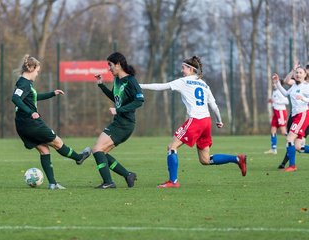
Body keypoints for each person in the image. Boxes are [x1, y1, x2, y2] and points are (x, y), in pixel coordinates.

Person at [140, 56, 247, 188]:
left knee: (171, 147)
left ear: (191, 69)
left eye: (183, 68)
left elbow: (162, 86)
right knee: (205, 160)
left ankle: (173, 181)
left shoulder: (184, 81)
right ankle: (237, 159)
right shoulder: (204, 84)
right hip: (207, 121)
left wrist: (140, 86)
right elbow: (214, 106)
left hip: (195, 121)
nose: (182, 71)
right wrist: (219, 121)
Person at [12, 54, 91, 190]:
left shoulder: (26, 83)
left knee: (44, 150)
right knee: (58, 142)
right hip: (30, 123)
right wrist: (31, 112)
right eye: (37, 71)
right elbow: (15, 98)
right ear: (31, 68)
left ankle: (53, 183)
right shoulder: (23, 83)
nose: (37, 74)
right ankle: (79, 157)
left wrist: (52, 93)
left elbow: (33, 98)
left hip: (22, 125)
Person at [92, 52, 144, 189]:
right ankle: (128, 175)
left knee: (97, 149)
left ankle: (108, 182)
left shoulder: (131, 81)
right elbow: (115, 98)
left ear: (118, 64)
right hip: (119, 122)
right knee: (100, 152)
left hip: (125, 124)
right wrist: (101, 85)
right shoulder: (117, 80)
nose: (109, 68)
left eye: (110, 65)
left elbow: (140, 100)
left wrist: (119, 110)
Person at [272, 66, 309, 172]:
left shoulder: (306, 86)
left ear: (305, 75)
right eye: (296, 72)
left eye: (300, 72)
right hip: (295, 115)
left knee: (289, 139)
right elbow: (285, 93)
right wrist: (277, 83)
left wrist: (304, 98)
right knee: (298, 147)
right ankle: (291, 165)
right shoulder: (294, 86)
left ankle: (292, 166)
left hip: (303, 115)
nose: (298, 74)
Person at [264, 80, 289, 154]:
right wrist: (272, 101)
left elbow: (286, 101)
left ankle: (297, 139)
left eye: (275, 83)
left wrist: (275, 102)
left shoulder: (280, 91)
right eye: (273, 83)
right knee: (273, 130)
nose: (273, 84)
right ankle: (273, 149)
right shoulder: (274, 91)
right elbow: (275, 101)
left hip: (281, 112)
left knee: (283, 131)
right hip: (276, 112)